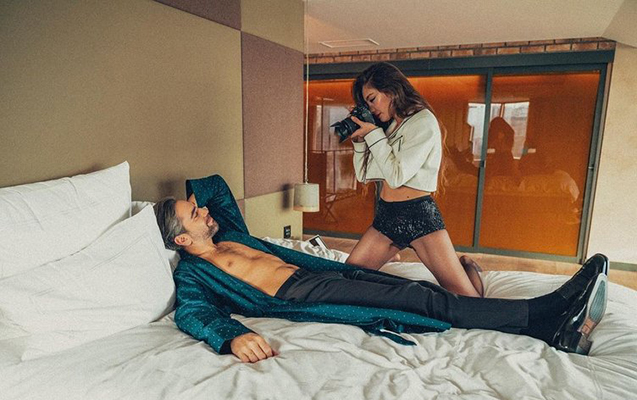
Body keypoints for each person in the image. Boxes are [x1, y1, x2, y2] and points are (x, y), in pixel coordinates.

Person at [153, 173, 608, 363]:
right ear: (181, 240)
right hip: (299, 294)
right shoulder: (194, 273)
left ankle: (553, 328)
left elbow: (216, 190)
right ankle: (545, 312)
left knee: (418, 292)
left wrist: (190, 197)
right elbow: (193, 311)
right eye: (194, 214)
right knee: (416, 297)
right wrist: (231, 336)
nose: (203, 211)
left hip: (321, 274)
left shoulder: (229, 235)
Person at [345, 62, 484, 297]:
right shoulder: (389, 128)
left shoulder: (423, 121)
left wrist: (373, 134)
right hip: (387, 216)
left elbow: (397, 176)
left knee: (466, 299)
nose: (370, 108)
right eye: (365, 103)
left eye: (372, 99)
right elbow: (364, 175)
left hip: (418, 215)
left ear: (391, 91)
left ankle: (469, 268)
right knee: (350, 278)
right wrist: (360, 143)